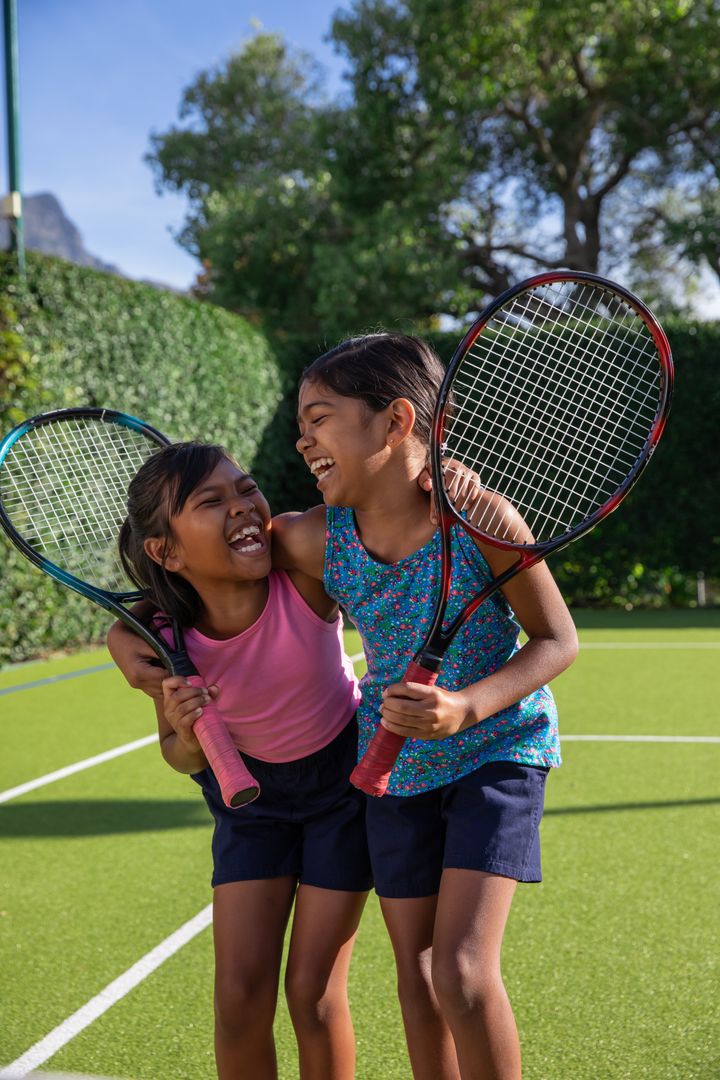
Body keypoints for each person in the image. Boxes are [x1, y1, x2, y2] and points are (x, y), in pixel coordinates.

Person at [111, 333, 578, 1080]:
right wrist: (120, 634)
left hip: (497, 752)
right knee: (420, 981)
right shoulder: (309, 540)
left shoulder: (483, 520)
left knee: (459, 972)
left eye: (319, 418)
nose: (302, 441)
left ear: (395, 422)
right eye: (301, 424)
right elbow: (197, 579)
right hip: (392, 779)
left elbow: (557, 640)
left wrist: (465, 708)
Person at [115, 441, 371, 1080]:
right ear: (166, 552)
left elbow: (363, 523)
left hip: (344, 794)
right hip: (250, 809)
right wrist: (185, 730)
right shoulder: (166, 639)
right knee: (237, 1001)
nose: (242, 508)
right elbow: (176, 756)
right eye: (212, 502)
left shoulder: (303, 574)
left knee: (312, 996)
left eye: (245, 489)